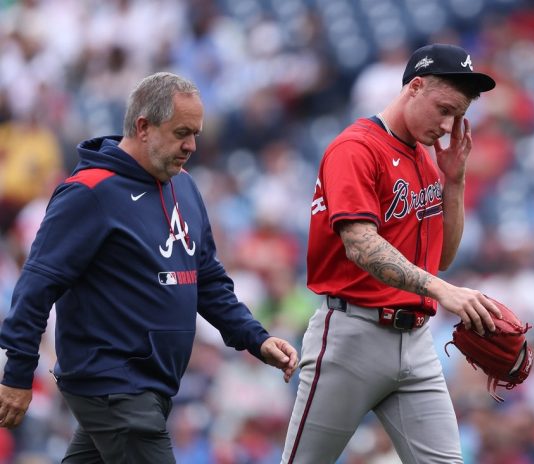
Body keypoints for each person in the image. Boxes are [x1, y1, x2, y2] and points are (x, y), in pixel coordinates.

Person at [0, 72, 298, 463]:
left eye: (196, 134)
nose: (191, 145)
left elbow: (207, 280)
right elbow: (37, 284)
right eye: (181, 133)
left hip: (148, 386)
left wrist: (256, 338)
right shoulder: (89, 191)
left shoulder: (185, 187)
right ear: (143, 127)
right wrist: (18, 372)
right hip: (113, 385)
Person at [282, 43, 502, 463]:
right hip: (352, 337)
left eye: (457, 115)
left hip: (416, 341)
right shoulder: (356, 148)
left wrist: (454, 182)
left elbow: (440, 259)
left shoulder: (425, 156)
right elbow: (361, 245)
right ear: (414, 87)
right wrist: (443, 290)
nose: (448, 125)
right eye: (443, 109)